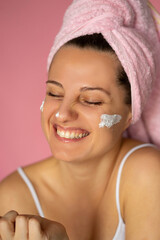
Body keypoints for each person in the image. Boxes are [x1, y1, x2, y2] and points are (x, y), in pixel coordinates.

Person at [0, 0, 160, 239]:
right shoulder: (13, 196)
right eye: (54, 93)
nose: (62, 114)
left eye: (91, 100)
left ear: (129, 114)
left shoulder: (147, 173)